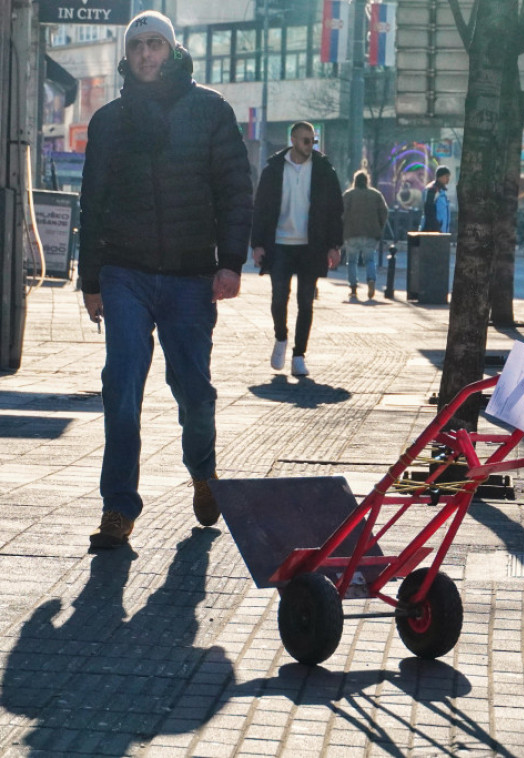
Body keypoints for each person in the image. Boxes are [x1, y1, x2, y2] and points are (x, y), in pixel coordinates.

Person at [78, 10, 253, 549]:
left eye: (156, 45)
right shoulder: (109, 121)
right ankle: (118, 508)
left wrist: (231, 261)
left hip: (189, 276)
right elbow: (94, 203)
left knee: (194, 391)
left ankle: (203, 473)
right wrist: (91, 281)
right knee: (121, 386)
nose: (147, 55)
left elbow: (233, 189)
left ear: (173, 51)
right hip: (125, 273)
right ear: (126, 57)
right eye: (137, 47)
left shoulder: (210, 110)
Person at [251, 122, 343, 376]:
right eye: (305, 140)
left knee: (306, 302)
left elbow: (335, 210)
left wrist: (334, 245)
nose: (309, 145)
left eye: (312, 141)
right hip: (280, 243)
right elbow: (261, 208)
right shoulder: (274, 169)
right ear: (293, 139)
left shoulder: (324, 169)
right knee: (279, 298)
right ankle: (281, 337)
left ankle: (299, 355)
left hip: (311, 246)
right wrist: (257, 244)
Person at [342, 169, 389, 299]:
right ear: (367, 181)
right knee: (370, 260)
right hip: (371, 233)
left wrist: (342, 229)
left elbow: (342, 214)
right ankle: (371, 280)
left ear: (355, 181)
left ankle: (353, 287)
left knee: (351, 261)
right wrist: (379, 226)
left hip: (352, 233)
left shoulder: (348, 195)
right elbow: (384, 212)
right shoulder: (376, 194)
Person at [419, 166, 451, 233]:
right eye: (446, 176)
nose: (448, 179)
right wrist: (436, 228)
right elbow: (428, 210)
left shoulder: (442, 191)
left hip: (442, 230)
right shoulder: (433, 190)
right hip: (433, 231)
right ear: (440, 177)